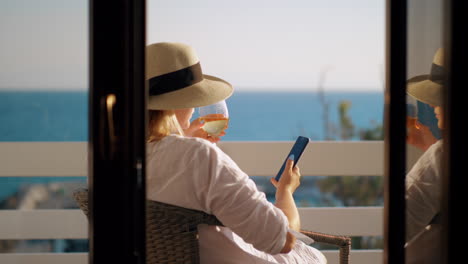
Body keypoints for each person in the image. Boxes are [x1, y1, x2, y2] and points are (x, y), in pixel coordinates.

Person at [145, 42, 326, 264]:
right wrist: (285, 192)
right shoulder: (200, 157)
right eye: (194, 101)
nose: (194, 111)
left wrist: (183, 141)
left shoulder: (118, 156)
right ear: (176, 105)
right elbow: (283, 240)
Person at [405, 48, 445, 243]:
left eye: (438, 99)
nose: (434, 106)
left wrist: (434, 154)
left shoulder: (442, 156)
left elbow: (401, 225)